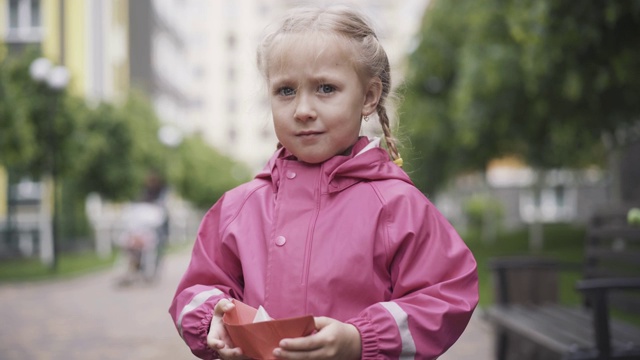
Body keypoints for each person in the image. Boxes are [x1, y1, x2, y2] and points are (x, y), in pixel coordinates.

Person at [169, 5, 478, 359]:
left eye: (326, 88)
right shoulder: (239, 207)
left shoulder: (396, 205)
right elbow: (195, 290)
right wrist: (213, 318)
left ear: (368, 97)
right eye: (285, 91)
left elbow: (448, 295)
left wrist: (361, 339)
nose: (302, 109)